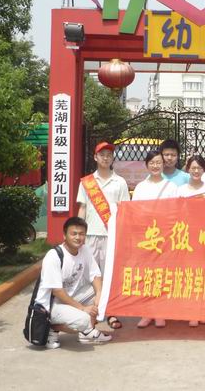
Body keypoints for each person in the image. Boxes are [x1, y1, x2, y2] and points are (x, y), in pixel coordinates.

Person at [36, 216, 112, 349]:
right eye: (74, 234)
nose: (78, 237)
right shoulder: (53, 256)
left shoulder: (84, 250)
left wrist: (99, 295)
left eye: (81, 234)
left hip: (70, 297)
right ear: (64, 235)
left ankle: (86, 332)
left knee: (106, 293)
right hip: (50, 305)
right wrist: (82, 308)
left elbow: (95, 275)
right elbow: (57, 291)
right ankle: (51, 327)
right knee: (83, 320)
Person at [77, 141, 129, 330]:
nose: (106, 158)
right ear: (95, 157)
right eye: (102, 154)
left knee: (110, 275)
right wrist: (79, 234)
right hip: (90, 235)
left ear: (113, 158)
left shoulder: (120, 182)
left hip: (111, 236)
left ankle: (112, 312)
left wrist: (123, 236)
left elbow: (124, 211)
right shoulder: (86, 182)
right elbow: (82, 208)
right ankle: (93, 310)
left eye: (109, 155)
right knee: (91, 275)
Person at [133, 150, 178, 328]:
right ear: (146, 165)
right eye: (152, 162)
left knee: (162, 274)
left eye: (158, 162)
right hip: (145, 237)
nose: (155, 165)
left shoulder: (171, 187)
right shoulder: (140, 187)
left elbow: (175, 212)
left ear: (163, 164)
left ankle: (160, 312)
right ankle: (146, 313)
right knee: (146, 274)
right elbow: (134, 211)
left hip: (164, 237)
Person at [177, 154, 205, 328]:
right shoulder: (181, 190)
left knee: (204, 275)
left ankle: (202, 310)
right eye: (193, 168)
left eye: (199, 168)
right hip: (187, 237)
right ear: (188, 169)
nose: (196, 171)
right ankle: (191, 311)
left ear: (204, 169)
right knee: (189, 275)